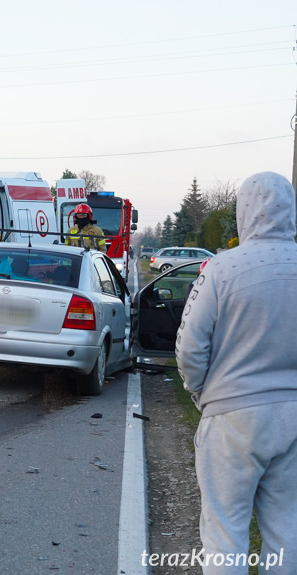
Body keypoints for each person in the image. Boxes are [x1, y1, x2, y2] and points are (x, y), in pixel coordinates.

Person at [176, 172, 297, 574]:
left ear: (244, 212)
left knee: (225, 532)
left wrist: (201, 394)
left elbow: (190, 347)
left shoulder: (221, 269)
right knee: (287, 533)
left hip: (231, 416)